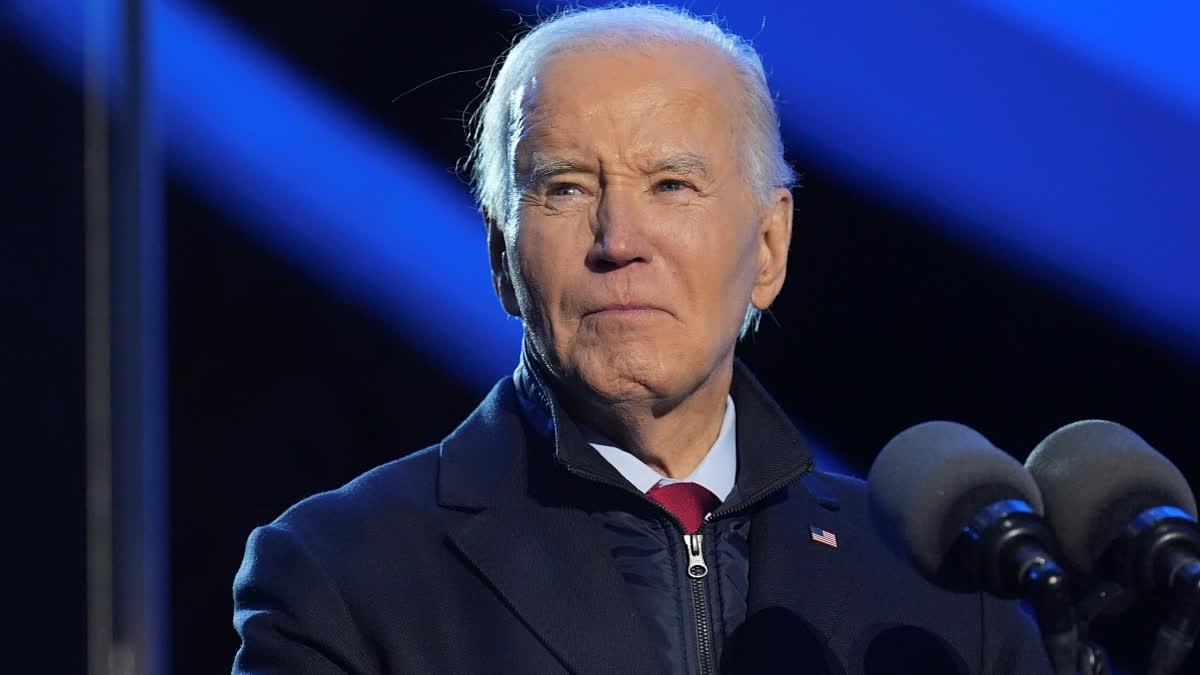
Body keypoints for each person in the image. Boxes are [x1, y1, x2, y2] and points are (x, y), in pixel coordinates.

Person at [232, 6, 1052, 674]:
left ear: (769, 248)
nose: (619, 237)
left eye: (670, 184)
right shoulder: (343, 576)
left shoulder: (944, 587)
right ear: (502, 259)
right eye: (565, 187)